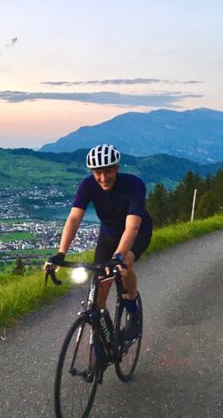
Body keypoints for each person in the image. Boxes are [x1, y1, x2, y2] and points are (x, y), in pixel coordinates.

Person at [45, 144, 152, 340]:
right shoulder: (88, 185)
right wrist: (61, 253)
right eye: (98, 172)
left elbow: (132, 227)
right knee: (98, 292)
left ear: (116, 168)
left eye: (108, 171)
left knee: (124, 265)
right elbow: (74, 218)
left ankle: (132, 311)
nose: (103, 178)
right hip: (108, 234)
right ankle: (105, 336)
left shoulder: (134, 185)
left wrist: (118, 257)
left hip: (137, 232)